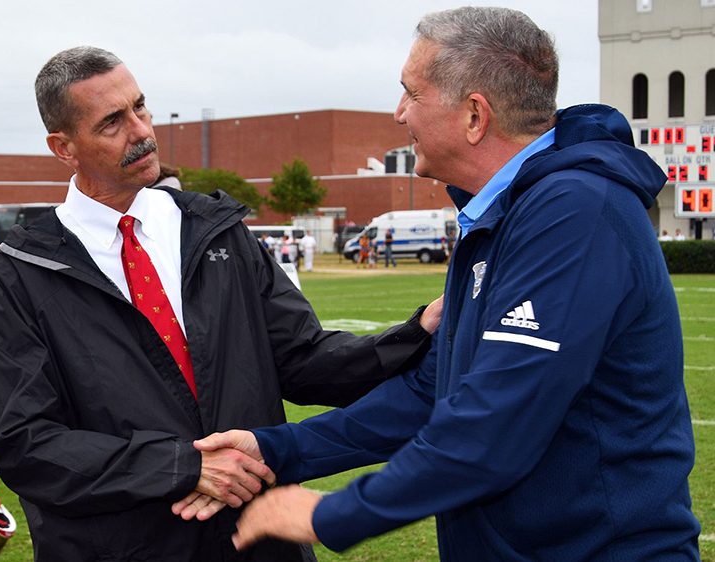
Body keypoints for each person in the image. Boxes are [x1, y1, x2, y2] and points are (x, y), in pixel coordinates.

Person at [194, 7, 701, 560]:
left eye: (411, 93)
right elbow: (430, 396)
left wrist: (331, 513)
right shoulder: (502, 213)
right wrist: (274, 448)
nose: (398, 113)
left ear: (474, 116)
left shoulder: (574, 209)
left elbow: (494, 427)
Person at [0, 46, 442, 562]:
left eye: (140, 107)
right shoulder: (26, 268)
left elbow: (304, 362)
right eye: (113, 122)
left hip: (252, 539)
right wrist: (183, 466)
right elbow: (26, 444)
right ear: (63, 147)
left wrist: (416, 333)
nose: (141, 131)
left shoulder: (215, 229)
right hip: (120, 546)